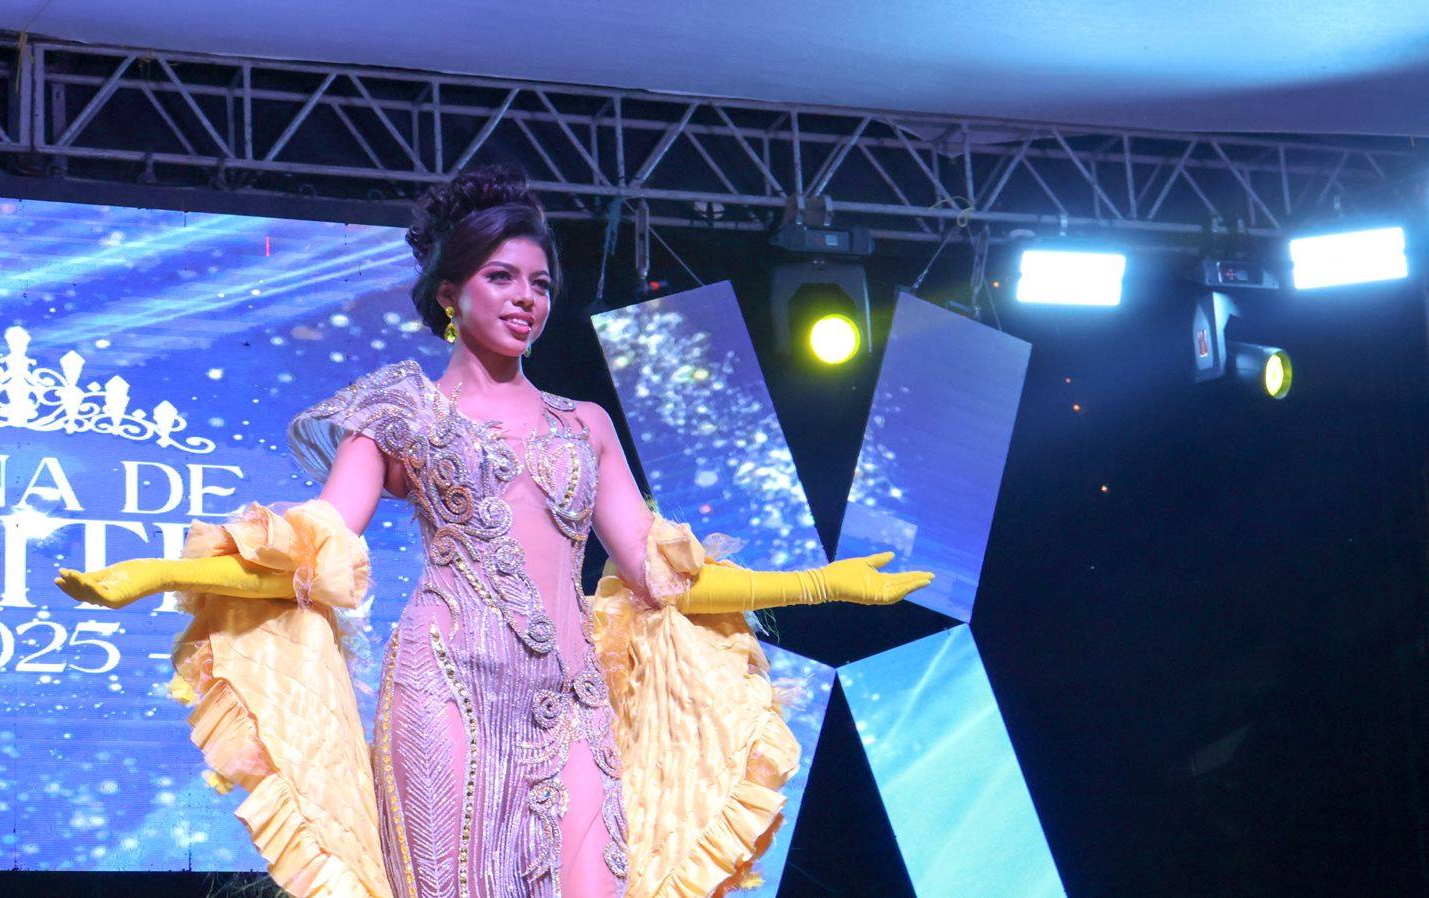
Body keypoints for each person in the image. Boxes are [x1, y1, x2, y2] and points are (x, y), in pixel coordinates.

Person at [56, 164, 933, 898]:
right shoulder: (398, 411)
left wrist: (824, 583)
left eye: (540, 283)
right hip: (445, 690)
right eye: (502, 278)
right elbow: (310, 552)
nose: (526, 299)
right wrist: (162, 573)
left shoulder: (584, 424)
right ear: (450, 293)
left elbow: (665, 575)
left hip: (572, 699)